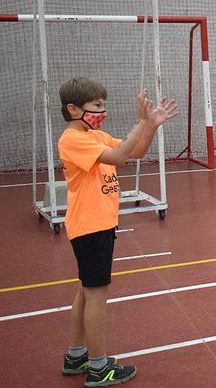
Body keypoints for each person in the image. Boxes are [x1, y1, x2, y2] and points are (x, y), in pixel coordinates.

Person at [58, 77, 176, 387]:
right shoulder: (73, 139)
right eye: (96, 105)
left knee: (86, 291)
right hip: (90, 226)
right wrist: (140, 121)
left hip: (98, 224)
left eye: (103, 104)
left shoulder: (94, 135)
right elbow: (120, 156)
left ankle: (76, 356)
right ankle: (98, 368)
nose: (102, 110)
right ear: (73, 109)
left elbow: (132, 150)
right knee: (97, 295)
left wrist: (151, 126)